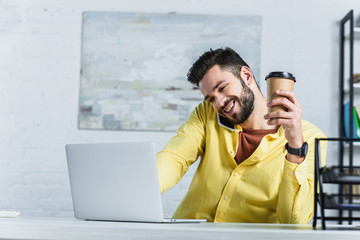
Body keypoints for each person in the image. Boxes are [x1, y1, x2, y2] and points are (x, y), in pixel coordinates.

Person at [156, 47, 327, 223]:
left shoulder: (311, 138)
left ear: (246, 75)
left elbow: (293, 221)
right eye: (211, 99)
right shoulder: (207, 114)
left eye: (222, 88)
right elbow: (175, 158)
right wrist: (143, 188)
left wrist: (295, 146)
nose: (219, 103)